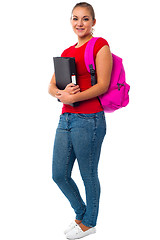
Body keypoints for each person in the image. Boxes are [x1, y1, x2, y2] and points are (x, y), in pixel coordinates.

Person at [48, 2, 112, 239]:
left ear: (93, 23)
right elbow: (51, 85)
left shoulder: (100, 45)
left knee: (88, 174)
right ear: (71, 21)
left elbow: (102, 85)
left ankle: (89, 223)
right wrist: (61, 94)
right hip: (65, 118)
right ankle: (82, 214)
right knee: (59, 174)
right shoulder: (66, 51)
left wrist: (71, 96)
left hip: (89, 119)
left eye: (85, 19)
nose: (80, 23)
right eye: (75, 18)